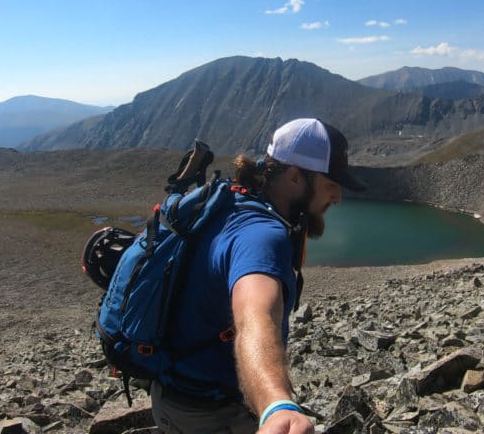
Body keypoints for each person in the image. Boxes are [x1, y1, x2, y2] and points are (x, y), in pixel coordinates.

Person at [150, 118, 366, 434]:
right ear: (294, 177)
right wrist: (276, 405)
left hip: (173, 396)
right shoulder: (263, 236)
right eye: (331, 185)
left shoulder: (235, 199)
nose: (338, 198)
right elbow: (255, 317)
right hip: (210, 413)